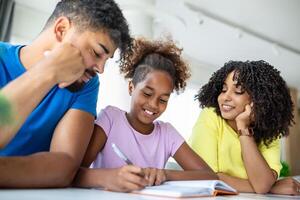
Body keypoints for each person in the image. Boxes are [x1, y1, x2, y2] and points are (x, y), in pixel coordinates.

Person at [0, 0, 132, 188]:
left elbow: (65, 167)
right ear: (61, 30)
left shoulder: (86, 84)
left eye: (106, 60)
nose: (101, 69)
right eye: (96, 52)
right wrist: (48, 71)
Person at [73, 38, 217, 192]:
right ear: (131, 87)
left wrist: (164, 174)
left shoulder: (167, 134)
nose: (154, 105)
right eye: (147, 93)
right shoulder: (110, 118)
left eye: (163, 99)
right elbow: (74, 172)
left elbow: (210, 177)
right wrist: (110, 177)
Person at [189, 60, 300, 195]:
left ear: (259, 99)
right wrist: (272, 188)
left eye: (238, 91)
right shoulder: (210, 116)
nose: (225, 97)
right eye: (223, 89)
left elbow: (262, 184)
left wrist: (243, 127)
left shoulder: (269, 131)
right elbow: (206, 178)